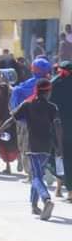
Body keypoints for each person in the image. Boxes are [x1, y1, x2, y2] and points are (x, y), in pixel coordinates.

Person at [0, 79, 63, 220]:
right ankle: (34, 206)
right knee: (37, 174)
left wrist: (0, 129)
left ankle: (46, 199)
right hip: (46, 147)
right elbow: (58, 127)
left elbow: (12, 119)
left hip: (32, 146)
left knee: (36, 177)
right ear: (48, 92)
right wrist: (59, 147)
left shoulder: (27, 104)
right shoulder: (52, 107)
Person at [12, 57, 52, 176]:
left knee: (26, 146)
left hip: (26, 121)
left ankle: (31, 173)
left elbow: (17, 93)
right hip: (46, 122)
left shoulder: (28, 84)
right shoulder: (50, 83)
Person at [0, 69, 19, 174]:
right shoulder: (16, 89)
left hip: (2, 120)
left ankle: (8, 166)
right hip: (14, 119)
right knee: (15, 141)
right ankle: (19, 161)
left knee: (3, 142)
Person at [50, 61, 72, 199]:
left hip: (58, 129)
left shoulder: (55, 83)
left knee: (59, 157)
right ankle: (68, 191)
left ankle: (60, 189)